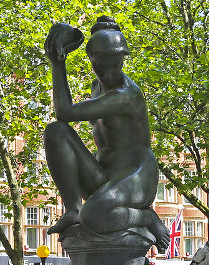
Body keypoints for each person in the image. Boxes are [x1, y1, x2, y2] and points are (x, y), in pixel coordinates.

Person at [43, 17, 170, 250]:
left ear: (123, 58)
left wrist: (57, 63)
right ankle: (73, 209)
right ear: (92, 59)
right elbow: (63, 120)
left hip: (136, 177)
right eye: (103, 62)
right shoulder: (96, 88)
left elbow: (65, 111)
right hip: (105, 175)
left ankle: (147, 217)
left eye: (117, 61)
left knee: (95, 215)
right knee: (55, 132)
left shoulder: (125, 95)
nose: (110, 69)